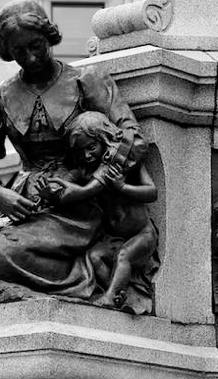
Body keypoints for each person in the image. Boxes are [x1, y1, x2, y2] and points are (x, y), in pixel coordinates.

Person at [0, 0, 148, 307]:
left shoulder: (86, 83)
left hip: (72, 203)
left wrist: (94, 182)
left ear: (49, 37)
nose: (31, 57)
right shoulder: (0, 95)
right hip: (18, 197)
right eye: (19, 51)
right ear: (8, 51)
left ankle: (78, 275)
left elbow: (131, 137)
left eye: (36, 45)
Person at [42, 111, 159, 311]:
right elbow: (68, 181)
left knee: (124, 256)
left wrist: (123, 187)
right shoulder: (85, 172)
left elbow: (152, 192)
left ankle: (109, 296)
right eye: (81, 152)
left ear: (105, 140)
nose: (87, 155)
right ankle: (118, 292)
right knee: (94, 257)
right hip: (112, 238)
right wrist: (55, 190)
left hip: (141, 234)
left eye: (91, 147)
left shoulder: (125, 165)